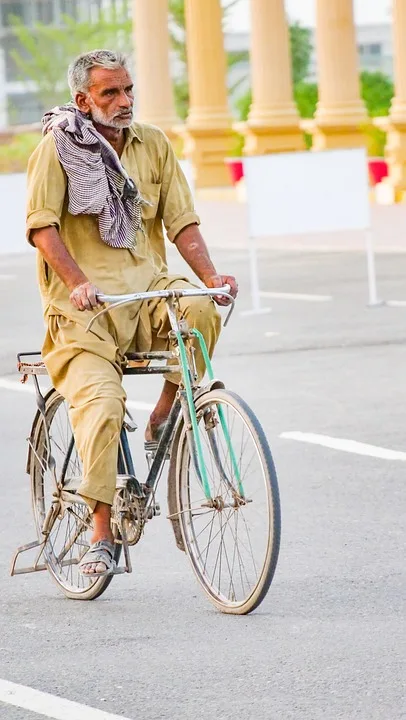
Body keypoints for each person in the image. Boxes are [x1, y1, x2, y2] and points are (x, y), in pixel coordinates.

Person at [26, 49, 238, 577]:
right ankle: (100, 535)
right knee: (101, 406)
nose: (123, 102)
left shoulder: (153, 143)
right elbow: (42, 228)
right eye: (109, 94)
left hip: (146, 290)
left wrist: (211, 278)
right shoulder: (58, 150)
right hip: (86, 312)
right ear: (83, 100)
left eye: (127, 91)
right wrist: (77, 283)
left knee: (201, 309)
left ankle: (167, 408)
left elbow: (181, 221)